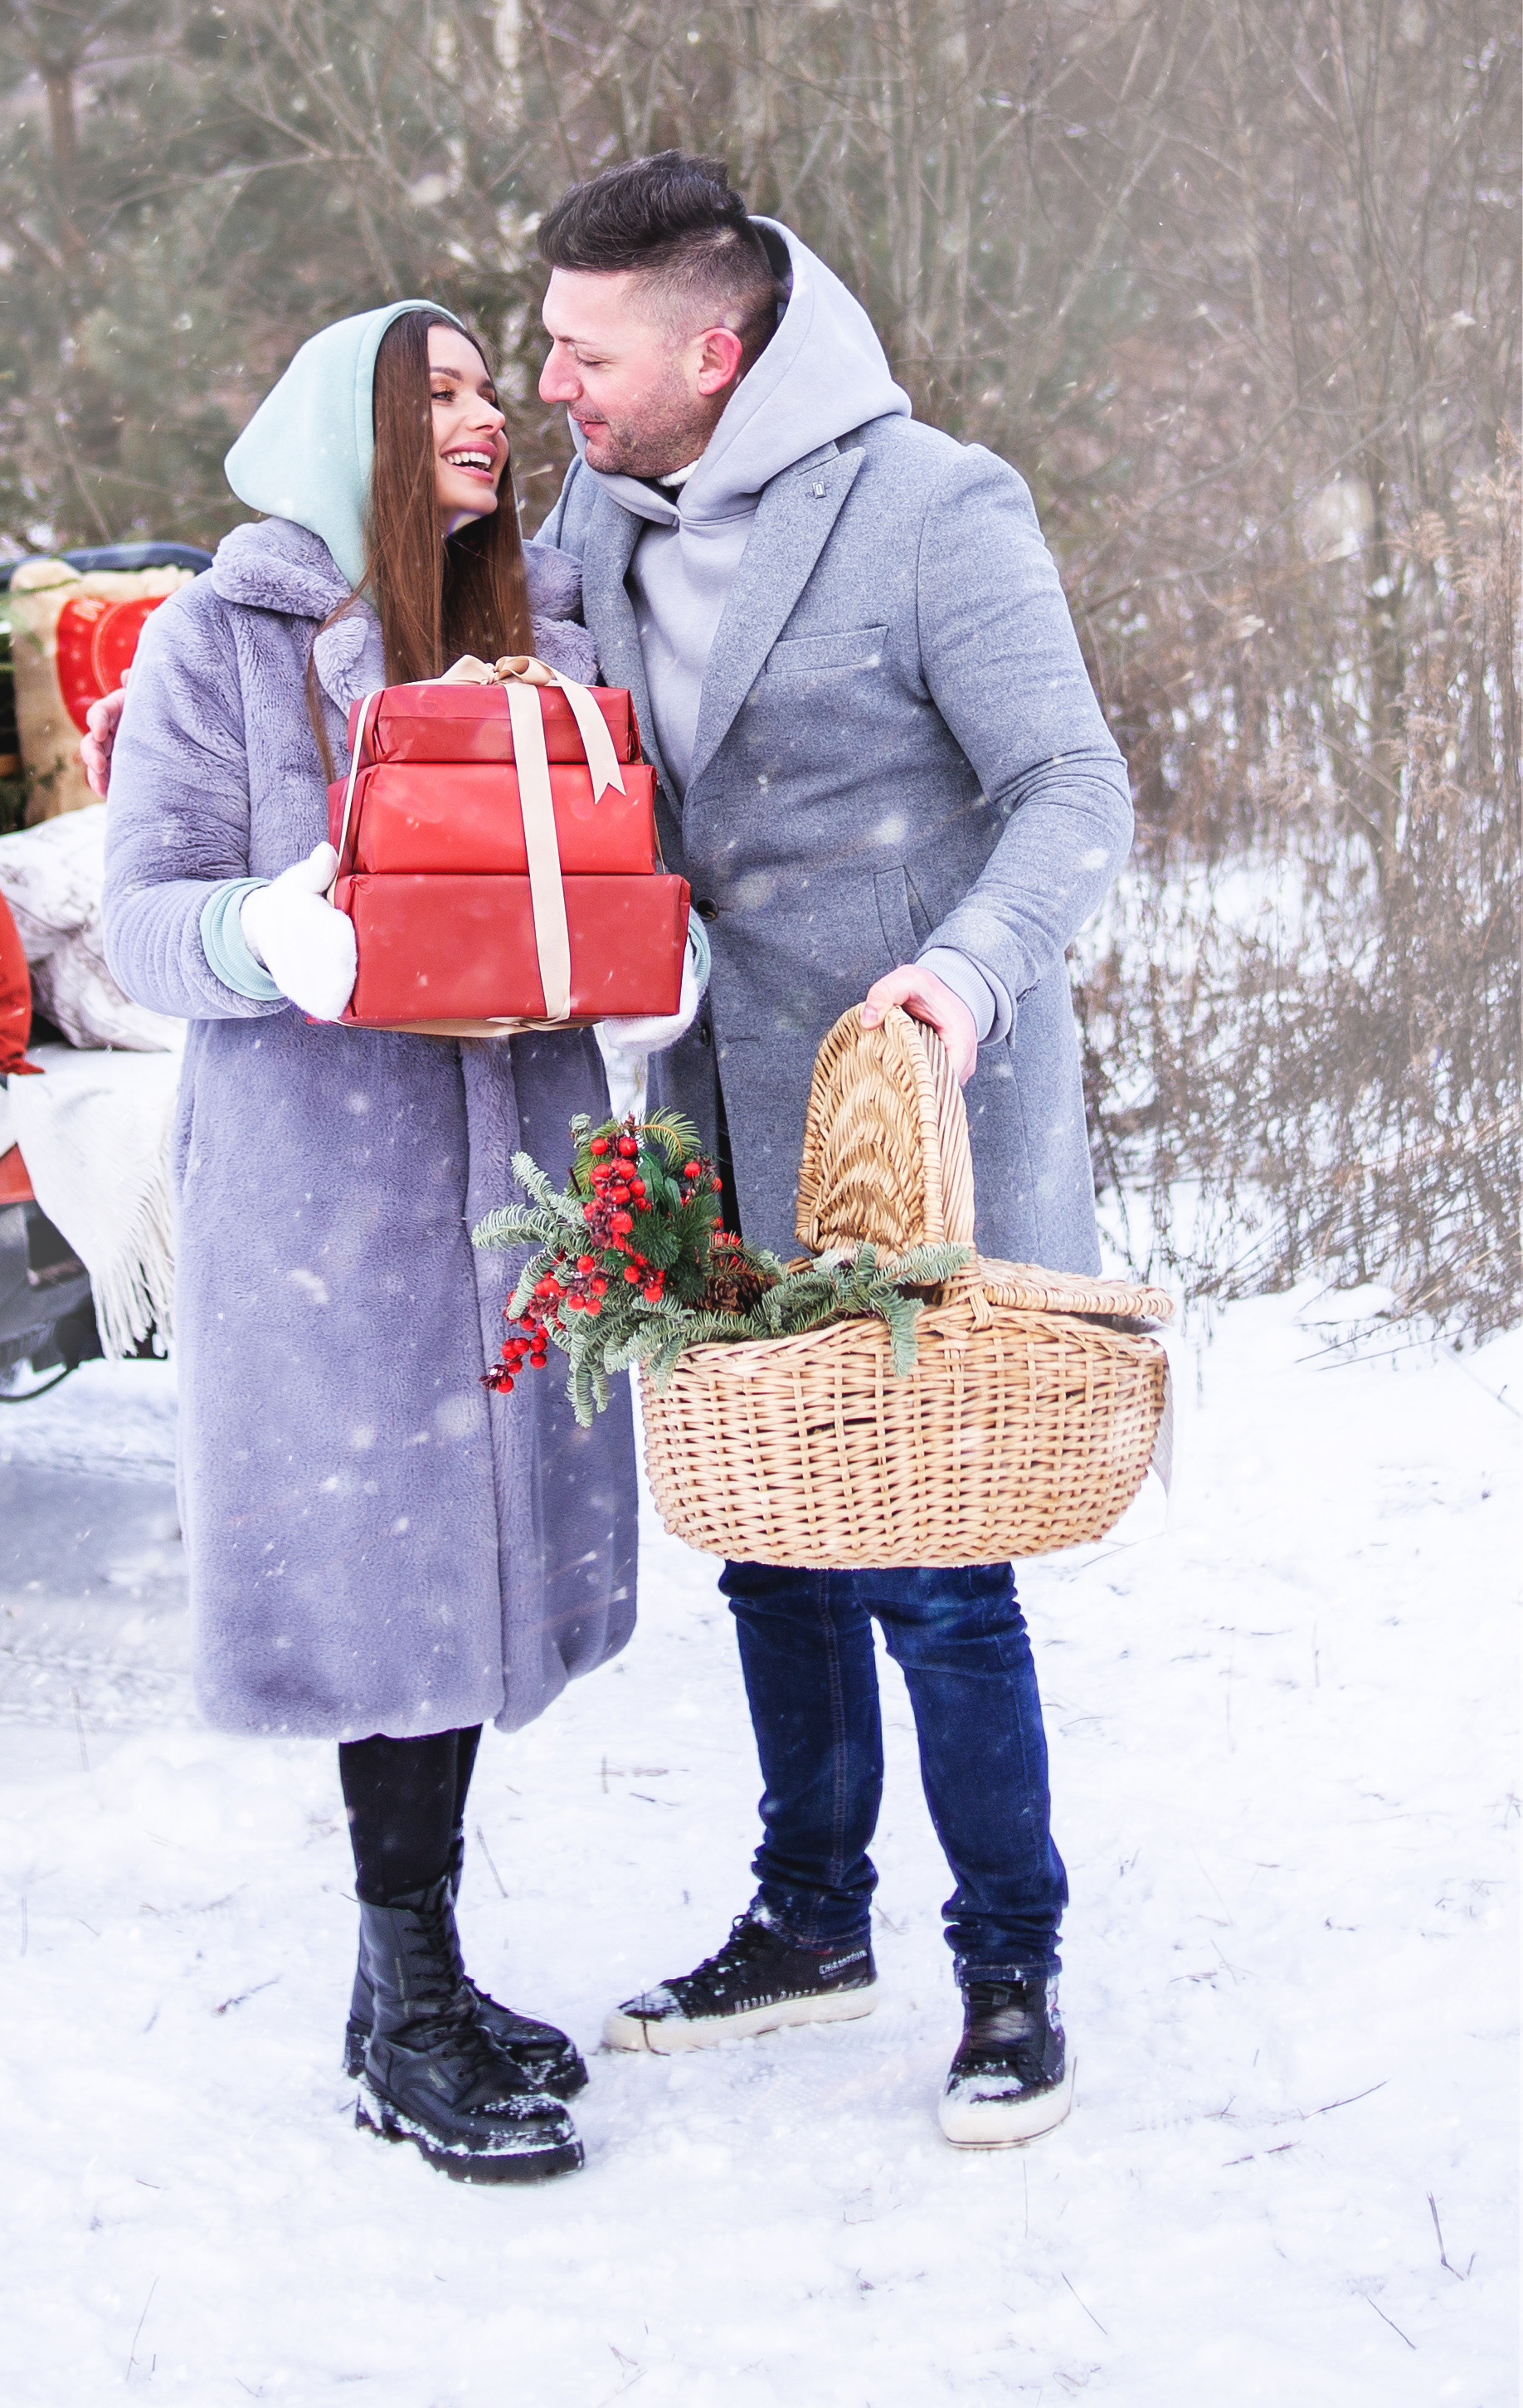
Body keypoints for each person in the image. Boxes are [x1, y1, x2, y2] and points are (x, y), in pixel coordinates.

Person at [531, 154, 1135, 2147]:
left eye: (580, 351)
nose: (553, 385)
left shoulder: (932, 504)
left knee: (934, 1568)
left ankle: (1009, 1966)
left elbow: (1070, 787)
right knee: (768, 1546)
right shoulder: (593, 516)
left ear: (714, 350)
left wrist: (962, 981)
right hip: (701, 1119)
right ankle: (806, 1921)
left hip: (905, 1128)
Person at [100, 301, 650, 2187]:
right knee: (391, 1594)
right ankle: (407, 2009)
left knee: (479, 1582)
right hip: (329, 1201)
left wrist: (653, 950)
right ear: (347, 429)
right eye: (439, 390)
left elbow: (606, 881)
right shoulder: (221, 642)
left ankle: (400, 1981)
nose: (486, 414)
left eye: (492, 384)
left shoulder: (549, 640)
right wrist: (276, 933)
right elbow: (141, 924)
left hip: (523, 1187)